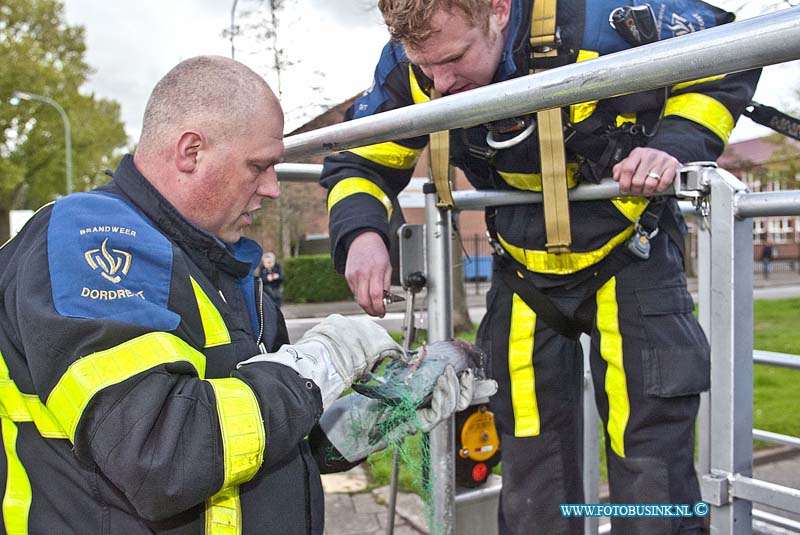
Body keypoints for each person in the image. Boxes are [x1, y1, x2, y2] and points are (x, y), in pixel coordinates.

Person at [0, 55, 491, 534]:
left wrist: (380, 414)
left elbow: (264, 430)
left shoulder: (221, 264)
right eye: (259, 166)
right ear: (191, 152)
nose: (273, 189)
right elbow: (158, 454)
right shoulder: (90, 238)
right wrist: (319, 362)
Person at [320, 1, 760, 533]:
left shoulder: (602, 19)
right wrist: (362, 234)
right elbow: (356, 159)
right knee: (531, 474)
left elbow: (733, 53)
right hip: (523, 277)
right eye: (425, 65)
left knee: (652, 470)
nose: (438, 84)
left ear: (499, 10)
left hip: (629, 260)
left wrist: (674, 146)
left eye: (455, 58)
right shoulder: (416, 65)